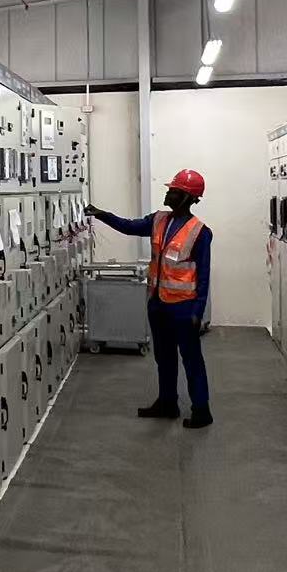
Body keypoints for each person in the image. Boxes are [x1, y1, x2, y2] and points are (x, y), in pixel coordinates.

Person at [84, 170, 213, 428]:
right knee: (163, 357)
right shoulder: (158, 220)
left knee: (191, 359)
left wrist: (198, 311)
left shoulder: (200, 232)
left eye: (173, 190)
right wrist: (101, 214)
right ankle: (167, 403)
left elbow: (203, 275)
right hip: (158, 303)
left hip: (184, 307)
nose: (168, 193)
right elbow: (129, 227)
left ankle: (202, 410)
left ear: (186, 197)